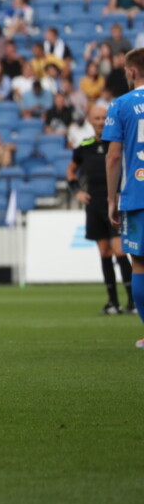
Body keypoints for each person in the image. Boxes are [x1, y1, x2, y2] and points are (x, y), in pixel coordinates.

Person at [69, 103, 133, 315]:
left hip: (114, 204)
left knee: (120, 250)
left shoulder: (116, 144)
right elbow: (71, 171)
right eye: (96, 118)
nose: (100, 122)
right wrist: (77, 191)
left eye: (104, 118)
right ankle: (113, 303)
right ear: (90, 120)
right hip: (95, 205)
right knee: (104, 252)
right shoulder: (84, 146)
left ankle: (133, 301)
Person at [102, 48, 144, 345]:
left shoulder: (120, 104)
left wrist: (110, 199)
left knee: (140, 263)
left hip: (138, 194)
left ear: (131, 71)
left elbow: (114, 158)